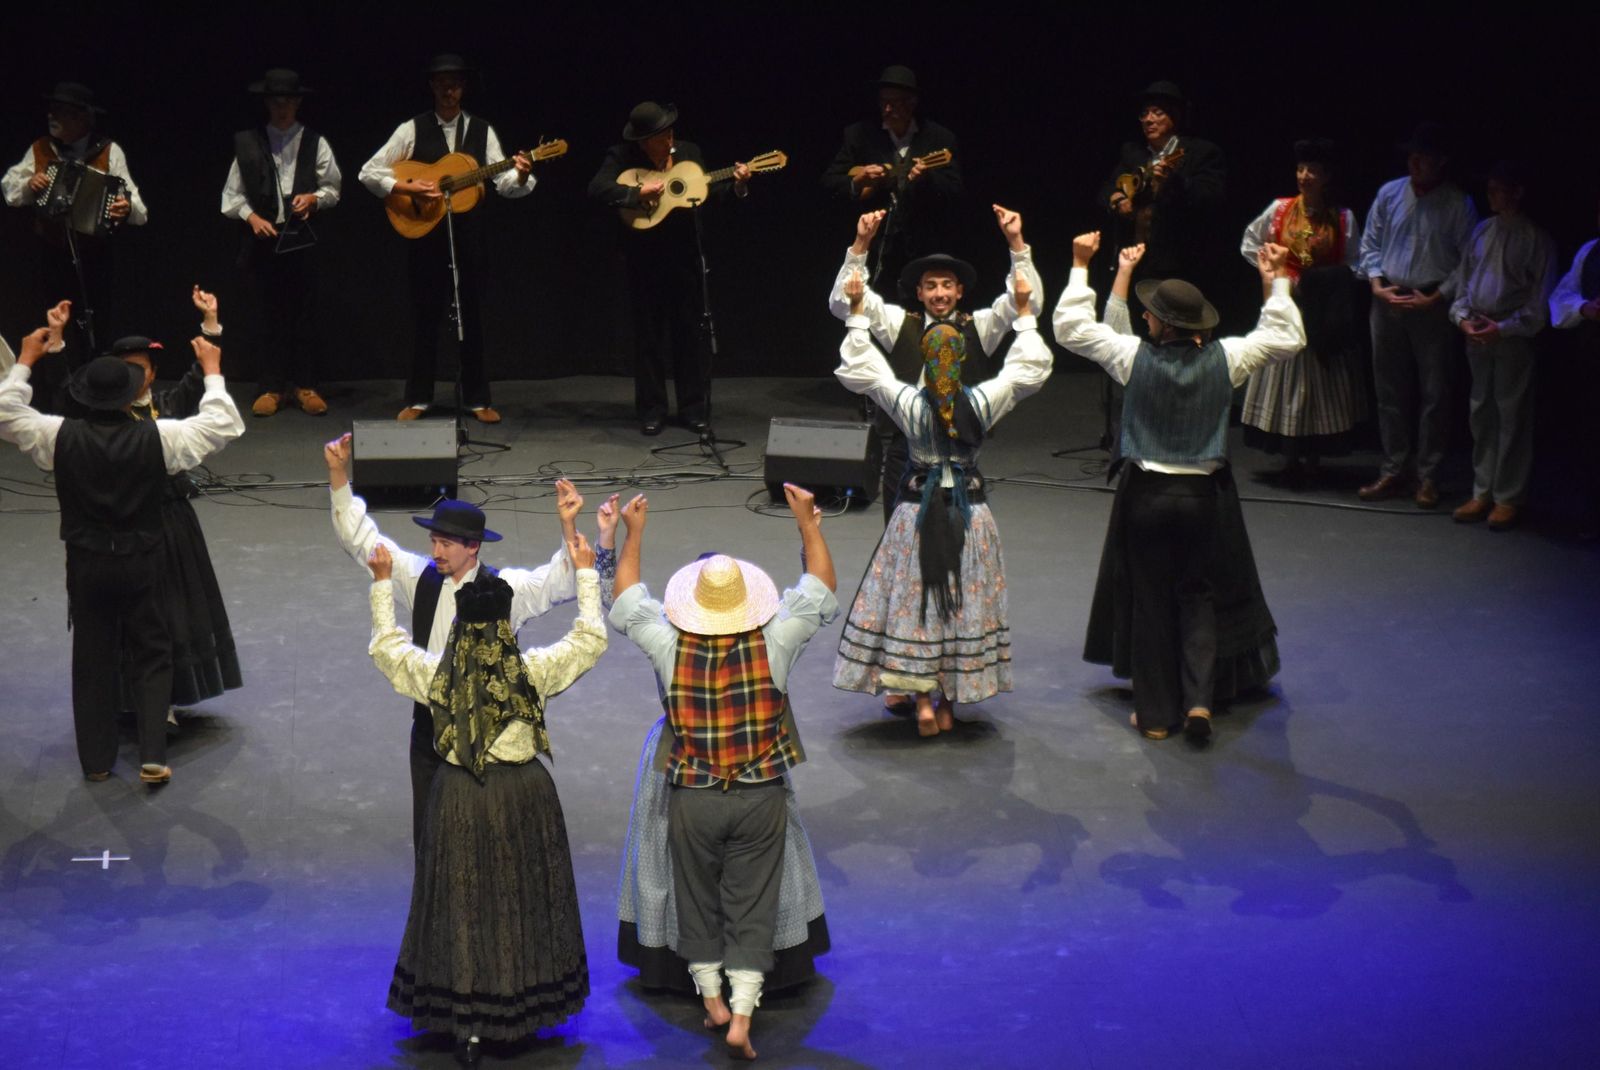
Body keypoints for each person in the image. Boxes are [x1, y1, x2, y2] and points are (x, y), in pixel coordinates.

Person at [609, 485, 838, 1061]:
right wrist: (809, 524)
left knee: (696, 898)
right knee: (752, 903)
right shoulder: (775, 640)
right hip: (760, 795)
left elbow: (628, 601)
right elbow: (820, 591)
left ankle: (709, 998)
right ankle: (741, 1013)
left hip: (694, 795)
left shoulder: (669, 644)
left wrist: (633, 535)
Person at [1055, 232, 1304, 742]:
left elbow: (1070, 329)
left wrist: (1080, 264)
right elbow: (1286, 338)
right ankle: (1198, 705)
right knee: (1197, 598)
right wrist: (1276, 281)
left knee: (1150, 602)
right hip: (1201, 500)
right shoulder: (1227, 359)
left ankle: (1155, 718)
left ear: (1164, 324)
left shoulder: (1131, 356)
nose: (1144, 318)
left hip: (1146, 497)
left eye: (1150, 314)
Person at [366, 535, 604, 1065]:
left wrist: (382, 584)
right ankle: (515, 1012)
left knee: (462, 902)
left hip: (457, 798)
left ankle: (465, 1023)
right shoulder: (531, 671)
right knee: (517, 897)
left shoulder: (438, 675)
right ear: (506, 623)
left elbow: (387, 648)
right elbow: (589, 640)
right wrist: (586, 573)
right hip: (522, 797)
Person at [0, 298, 243, 783]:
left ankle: (96, 764)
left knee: (91, 658)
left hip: (87, 564)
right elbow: (222, 424)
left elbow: (5, 412)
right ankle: (154, 753)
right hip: (144, 561)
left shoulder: (58, 435)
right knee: (153, 654)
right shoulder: (161, 438)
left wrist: (26, 360)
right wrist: (213, 372)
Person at [326, 433, 579, 857]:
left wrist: (568, 525)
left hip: (486, 736)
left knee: (484, 839)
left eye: (445, 543)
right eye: (434, 541)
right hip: (430, 730)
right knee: (430, 837)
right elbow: (363, 541)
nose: (435, 550)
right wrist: (338, 475)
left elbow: (559, 584)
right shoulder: (420, 577)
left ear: (472, 547)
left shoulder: (504, 588)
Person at [832, 259, 1053, 736]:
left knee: (920, 602)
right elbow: (1029, 369)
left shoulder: (910, 402)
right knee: (962, 602)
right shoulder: (981, 400)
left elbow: (861, 369)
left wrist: (856, 313)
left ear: (928, 362)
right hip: (970, 512)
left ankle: (924, 701)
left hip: (917, 509)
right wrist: (1026, 317)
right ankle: (951, 702)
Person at [827, 205, 1043, 524]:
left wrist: (1017, 243)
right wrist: (860, 247)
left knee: (957, 541)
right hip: (906, 450)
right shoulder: (899, 323)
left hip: (962, 454)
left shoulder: (981, 326)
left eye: (946, 285)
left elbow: (1027, 302)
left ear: (959, 290)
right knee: (900, 536)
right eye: (931, 286)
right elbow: (843, 303)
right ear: (919, 292)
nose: (939, 293)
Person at [358, 54, 534, 423]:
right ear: (432, 87)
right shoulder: (412, 128)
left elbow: (502, 183)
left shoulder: (483, 130)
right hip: (425, 237)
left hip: (469, 238)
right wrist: (407, 185)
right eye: (442, 83)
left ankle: (476, 398)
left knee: (471, 317)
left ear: (463, 87)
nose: (448, 89)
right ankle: (418, 398)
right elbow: (368, 172)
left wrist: (518, 175)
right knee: (424, 317)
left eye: (454, 83)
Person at [587, 102, 750, 436]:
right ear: (644, 141)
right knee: (648, 338)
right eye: (662, 136)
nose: (670, 139)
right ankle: (652, 409)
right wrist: (636, 192)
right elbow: (597, 188)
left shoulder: (689, 152)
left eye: (670, 132)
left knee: (689, 336)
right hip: (642, 259)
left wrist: (736, 185)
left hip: (685, 257)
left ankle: (693, 409)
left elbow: (705, 191)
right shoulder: (622, 156)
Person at [119, 286, 243, 718]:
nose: (140, 378)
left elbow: (201, 375)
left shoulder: (166, 407)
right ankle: (141, 699)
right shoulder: (105, 421)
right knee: (142, 617)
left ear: (153, 373)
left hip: (174, 527)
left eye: (145, 369)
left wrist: (210, 323)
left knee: (179, 611)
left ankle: (171, 697)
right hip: (129, 529)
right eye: (130, 370)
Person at [1358, 122, 1479, 509]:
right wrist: (1376, 282)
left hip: (1431, 303)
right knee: (1389, 389)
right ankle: (1394, 468)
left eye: (1423, 156)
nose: (1415, 161)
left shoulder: (1459, 203)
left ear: (1441, 161)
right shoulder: (1390, 193)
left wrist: (1438, 296)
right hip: (1388, 299)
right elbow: (1370, 243)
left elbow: (1468, 260)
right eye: (1411, 155)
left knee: (1435, 393)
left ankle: (1428, 475)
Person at [1238, 138, 1369, 483]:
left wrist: (1328, 282)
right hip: (1288, 303)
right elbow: (1251, 242)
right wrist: (1275, 272)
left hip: (1324, 310)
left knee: (1321, 379)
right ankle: (1290, 453)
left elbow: (1356, 261)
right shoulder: (1280, 209)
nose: (1304, 175)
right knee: (1288, 375)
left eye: (1312, 170)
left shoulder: (1342, 217)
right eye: (1300, 169)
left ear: (1326, 177)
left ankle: (1315, 454)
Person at [221, 68, 342, 419]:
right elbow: (231, 196)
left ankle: (305, 385)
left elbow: (333, 187)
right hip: (265, 239)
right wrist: (252, 218)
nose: (282, 107)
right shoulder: (249, 142)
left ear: (298, 102)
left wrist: (315, 198)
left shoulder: (315, 140)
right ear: (267, 103)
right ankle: (271, 386)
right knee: (268, 314)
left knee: (304, 313)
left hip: (302, 239)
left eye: (288, 100)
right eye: (276, 100)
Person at [2, 82, 148, 369]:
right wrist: (30, 185)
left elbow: (139, 209)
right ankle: (58, 385)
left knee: (95, 321)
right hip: (51, 252)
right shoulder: (41, 148)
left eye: (61, 112)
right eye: (51, 110)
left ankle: (94, 381)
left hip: (94, 256)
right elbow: (9, 190)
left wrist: (125, 207)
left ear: (83, 118)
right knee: (53, 322)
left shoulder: (108, 151)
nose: (51, 117)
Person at [1445, 162, 1557, 531]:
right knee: (1481, 412)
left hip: (1510, 337)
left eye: (1499, 189)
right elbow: (1463, 286)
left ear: (1517, 192)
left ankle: (1508, 496)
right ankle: (1483, 490)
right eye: (1489, 189)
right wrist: (1462, 318)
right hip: (1478, 331)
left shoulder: (1535, 239)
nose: (1492, 196)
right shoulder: (1482, 232)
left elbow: (1540, 304)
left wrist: (1505, 328)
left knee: (1512, 415)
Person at [820, 64, 964, 289]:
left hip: (922, 248)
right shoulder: (859, 135)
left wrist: (928, 179)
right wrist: (859, 181)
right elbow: (829, 183)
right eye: (883, 102)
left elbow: (955, 191)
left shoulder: (938, 138)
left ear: (912, 103)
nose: (886, 109)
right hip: (874, 248)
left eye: (894, 103)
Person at [1548, 195, 1600, 536]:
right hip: (1593, 359)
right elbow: (1561, 297)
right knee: (1592, 436)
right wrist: (1584, 308)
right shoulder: (1590, 251)